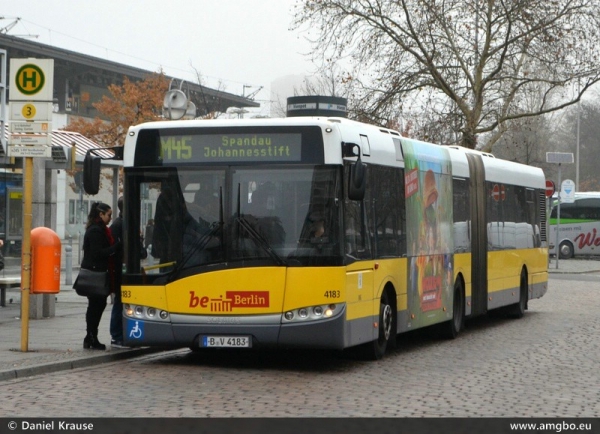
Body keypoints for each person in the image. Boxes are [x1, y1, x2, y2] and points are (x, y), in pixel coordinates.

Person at [80, 202, 119, 350]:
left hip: (98, 273)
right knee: (96, 306)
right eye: (108, 215)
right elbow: (97, 253)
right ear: (101, 214)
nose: (110, 218)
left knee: (97, 305)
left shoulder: (99, 229)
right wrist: (115, 248)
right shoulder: (96, 231)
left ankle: (90, 336)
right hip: (95, 274)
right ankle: (91, 336)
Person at [110, 197, 146, 348]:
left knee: (125, 302)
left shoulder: (124, 224)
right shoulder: (120, 225)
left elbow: (139, 251)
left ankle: (122, 334)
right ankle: (117, 335)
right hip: (122, 270)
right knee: (120, 302)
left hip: (128, 268)